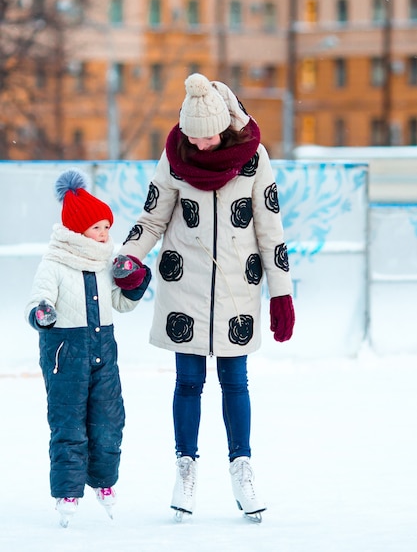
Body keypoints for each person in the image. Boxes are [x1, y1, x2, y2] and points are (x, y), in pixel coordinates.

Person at [113, 73, 295, 522]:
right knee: (188, 381)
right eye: (193, 137)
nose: (201, 145)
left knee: (236, 381)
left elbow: (270, 231)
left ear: (225, 127)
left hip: (237, 290)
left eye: (208, 136)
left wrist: (281, 294)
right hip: (184, 288)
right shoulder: (175, 157)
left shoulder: (254, 159)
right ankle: (186, 466)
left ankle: (241, 467)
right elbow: (151, 219)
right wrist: (129, 256)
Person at [25, 169, 151, 527]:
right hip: (66, 357)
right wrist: (42, 313)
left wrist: (135, 284)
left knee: (110, 422)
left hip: (103, 355)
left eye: (108, 227)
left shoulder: (102, 265)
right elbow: (37, 301)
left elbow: (121, 305)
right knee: (69, 426)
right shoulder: (54, 263)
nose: (105, 234)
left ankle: (104, 482)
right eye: (97, 228)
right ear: (79, 231)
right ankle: (67, 491)